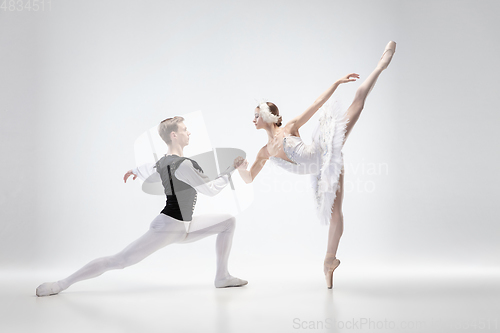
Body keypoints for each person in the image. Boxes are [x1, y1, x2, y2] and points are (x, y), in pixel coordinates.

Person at [235, 41, 396, 289]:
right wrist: (239, 168)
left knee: (358, 102)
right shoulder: (264, 152)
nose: (253, 119)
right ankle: (329, 261)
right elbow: (249, 179)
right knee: (334, 214)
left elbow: (315, 104)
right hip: (322, 170)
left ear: (268, 116)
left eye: (256, 115)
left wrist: (336, 82)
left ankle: (380, 66)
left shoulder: (289, 127)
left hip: (324, 146)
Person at [36, 117, 247, 296]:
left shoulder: (165, 161)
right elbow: (210, 190)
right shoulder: (183, 165)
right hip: (168, 227)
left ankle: (222, 276)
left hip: (185, 225)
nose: (188, 133)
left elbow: (152, 170)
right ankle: (60, 284)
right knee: (119, 261)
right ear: (174, 135)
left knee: (228, 221)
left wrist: (135, 170)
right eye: (184, 129)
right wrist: (231, 170)